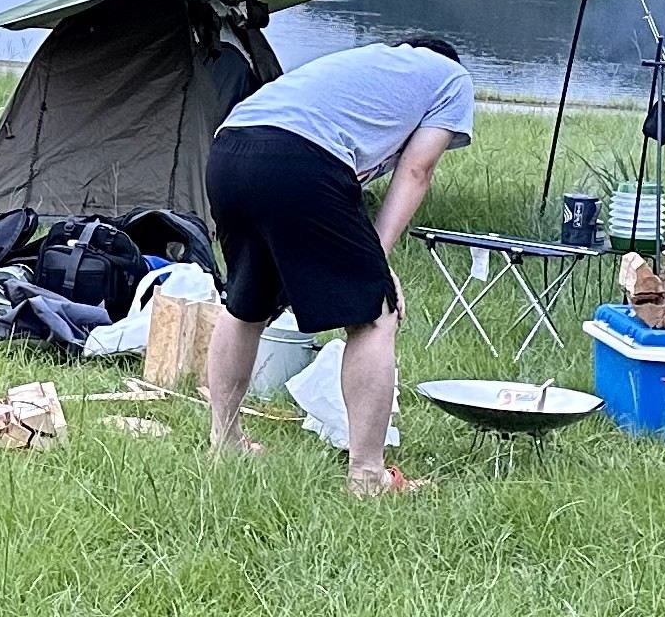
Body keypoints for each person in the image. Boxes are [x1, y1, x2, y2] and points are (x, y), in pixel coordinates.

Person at [201, 31, 473, 494]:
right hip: (300, 157)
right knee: (374, 315)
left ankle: (223, 444)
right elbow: (417, 169)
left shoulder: (366, 65)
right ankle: (367, 476)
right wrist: (378, 262)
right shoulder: (452, 78)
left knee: (246, 304)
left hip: (229, 150)